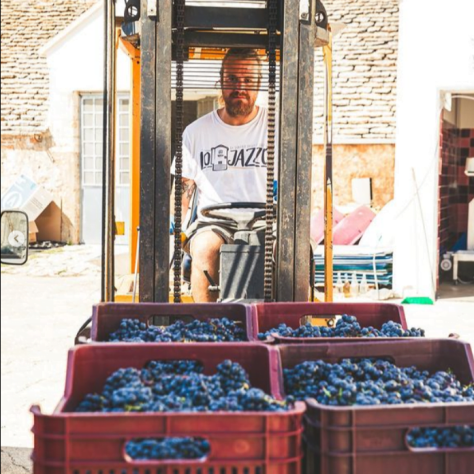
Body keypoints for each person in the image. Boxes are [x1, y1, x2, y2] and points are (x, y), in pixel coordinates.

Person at [175, 48, 274, 302]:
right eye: (232, 79)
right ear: (221, 81)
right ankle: (207, 330)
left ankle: (285, 327)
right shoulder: (196, 133)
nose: (240, 87)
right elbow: (181, 192)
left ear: (259, 84)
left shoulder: (278, 126)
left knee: (289, 249)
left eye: (248, 80)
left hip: (267, 220)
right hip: (214, 223)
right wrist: (180, 229)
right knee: (205, 247)